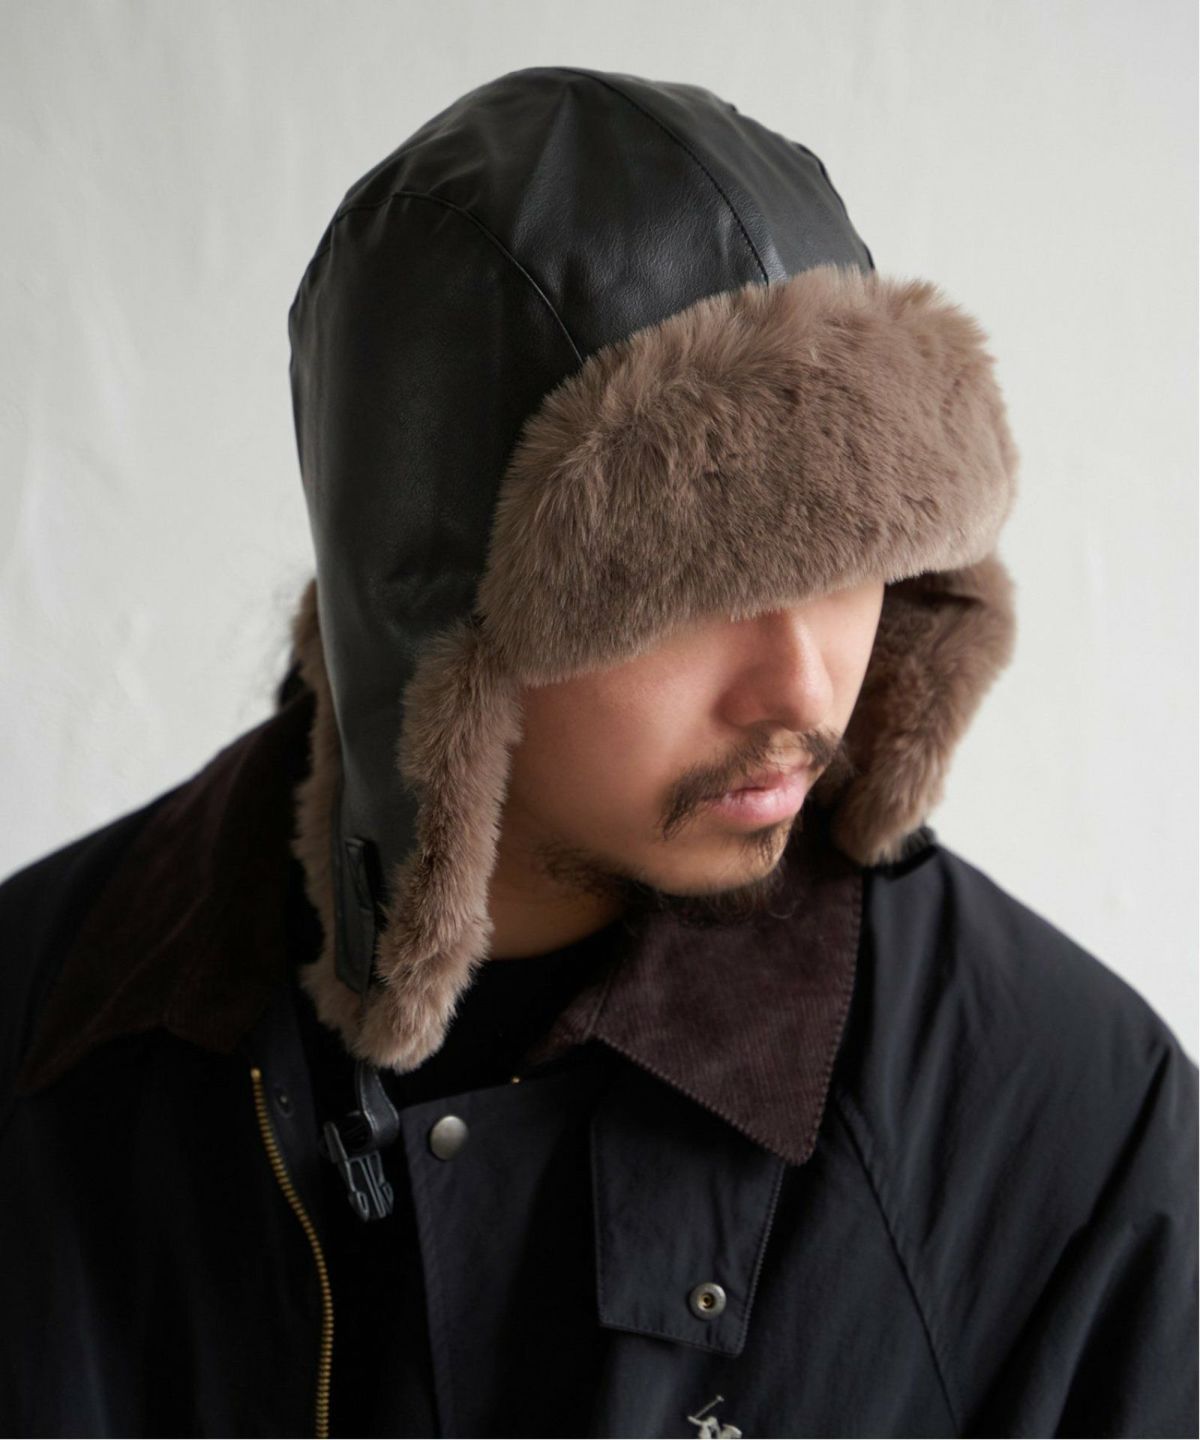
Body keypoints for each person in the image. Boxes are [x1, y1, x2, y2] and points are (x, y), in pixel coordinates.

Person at [1, 65, 1195, 1440]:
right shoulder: (41, 1037)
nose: (807, 687)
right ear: (438, 620)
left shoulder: (1067, 1131)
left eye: (852, 558)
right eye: (692, 591)